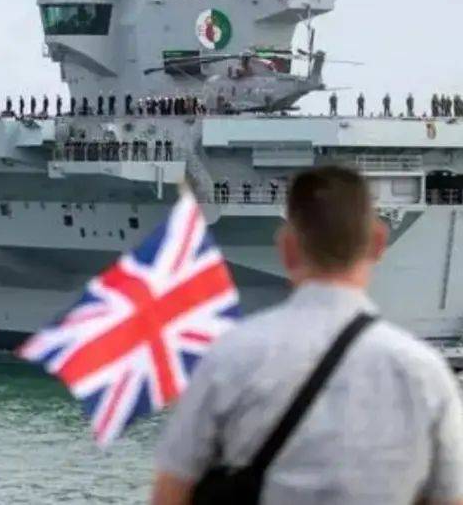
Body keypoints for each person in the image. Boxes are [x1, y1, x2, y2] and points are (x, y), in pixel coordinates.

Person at [152, 166, 463, 505]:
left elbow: (170, 492)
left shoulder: (226, 359)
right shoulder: (426, 373)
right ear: (378, 243)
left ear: (287, 246)